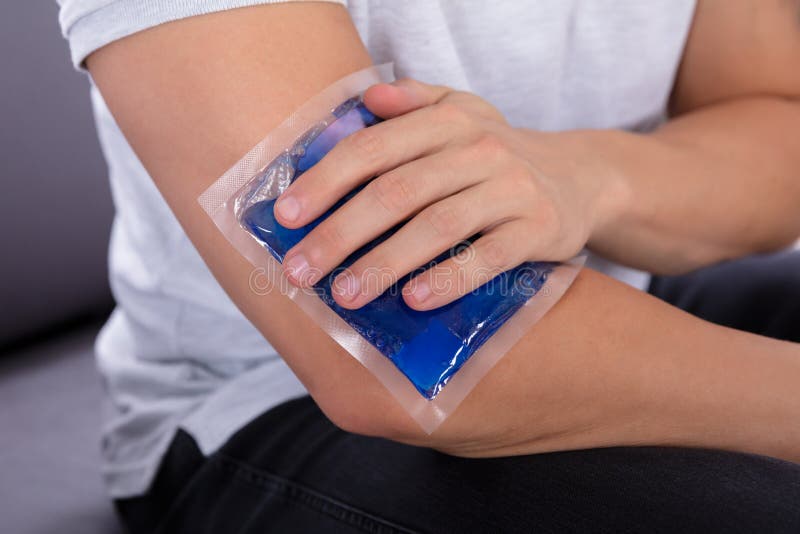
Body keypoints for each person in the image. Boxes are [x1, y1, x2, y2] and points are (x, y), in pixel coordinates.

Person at [56, 0, 800, 532]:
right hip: (263, 403)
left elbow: (777, 127)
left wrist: (591, 176)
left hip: (609, 279)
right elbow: (406, 349)